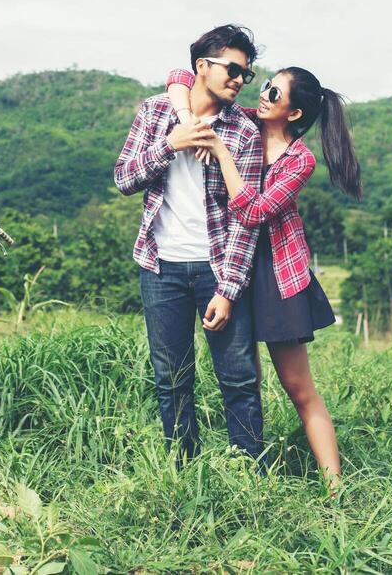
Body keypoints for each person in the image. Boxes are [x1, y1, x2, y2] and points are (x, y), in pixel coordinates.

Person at [166, 64, 362, 488]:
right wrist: (186, 118)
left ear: (293, 113)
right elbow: (180, 74)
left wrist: (220, 151)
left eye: (274, 93)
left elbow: (254, 211)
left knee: (298, 386)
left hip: (275, 273)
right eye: (266, 86)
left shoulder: (300, 160)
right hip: (228, 263)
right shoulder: (243, 122)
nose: (264, 94)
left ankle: (336, 490)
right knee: (243, 379)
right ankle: (251, 476)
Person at [114, 24, 264, 464]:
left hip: (218, 269)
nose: (239, 79)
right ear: (202, 67)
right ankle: (183, 472)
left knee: (238, 378)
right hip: (161, 267)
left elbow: (245, 220)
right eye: (232, 69)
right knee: (172, 378)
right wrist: (170, 144)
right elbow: (124, 178)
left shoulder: (243, 133)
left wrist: (229, 288)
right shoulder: (156, 112)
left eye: (246, 74)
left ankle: (250, 473)